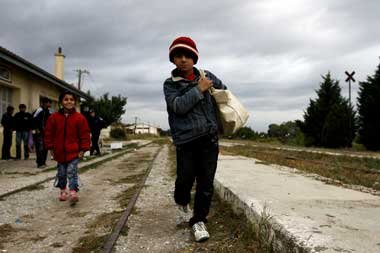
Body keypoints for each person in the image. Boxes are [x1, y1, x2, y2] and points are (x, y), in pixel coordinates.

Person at [163, 36, 227, 242]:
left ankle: (199, 220)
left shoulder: (206, 75)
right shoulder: (170, 84)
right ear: (173, 60)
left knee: (206, 182)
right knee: (185, 178)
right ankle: (181, 199)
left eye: (188, 55)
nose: (183, 59)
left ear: (194, 58)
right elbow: (179, 106)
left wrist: (212, 86)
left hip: (209, 139)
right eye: (178, 56)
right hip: (186, 141)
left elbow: (223, 90)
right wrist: (199, 89)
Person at [44, 91, 90, 203]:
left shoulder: (80, 118)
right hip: (59, 152)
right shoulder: (53, 118)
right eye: (66, 99)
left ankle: (73, 191)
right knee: (61, 173)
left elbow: (85, 134)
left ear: (74, 102)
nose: (69, 101)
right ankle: (63, 190)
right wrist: (51, 148)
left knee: (71, 171)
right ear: (61, 102)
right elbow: (48, 133)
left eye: (71, 99)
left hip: (74, 152)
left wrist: (83, 149)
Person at [33, 97, 51, 168]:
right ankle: (40, 163)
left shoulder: (48, 111)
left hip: (46, 132)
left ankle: (43, 162)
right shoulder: (39, 110)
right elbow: (34, 120)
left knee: (45, 147)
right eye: (48, 102)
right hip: (39, 132)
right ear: (44, 103)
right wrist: (36, 128)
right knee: (40, 147)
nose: (49, 104)